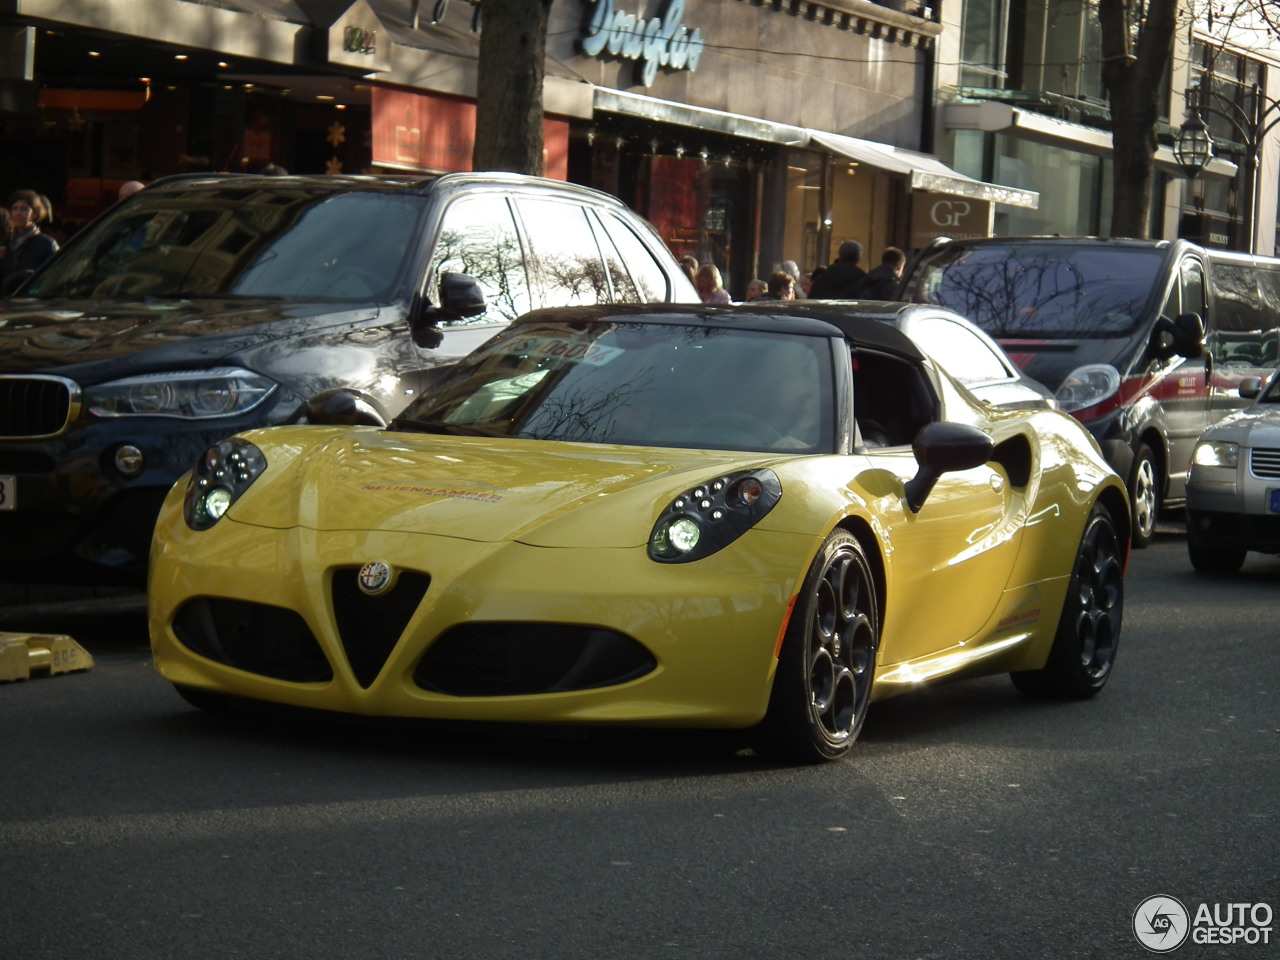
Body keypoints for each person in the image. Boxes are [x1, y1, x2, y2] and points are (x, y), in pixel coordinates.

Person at [1, 189, 59, 283]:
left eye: (24, 209)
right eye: (15, 208)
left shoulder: (46, 244)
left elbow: (55, 276)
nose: (18, 213)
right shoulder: (5, 242)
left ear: (34, 214)